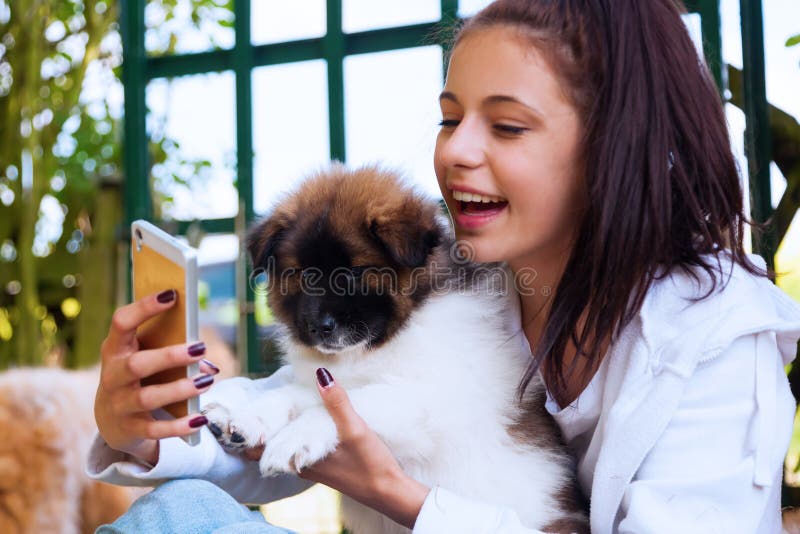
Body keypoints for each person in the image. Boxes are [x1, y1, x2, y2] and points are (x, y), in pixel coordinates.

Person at [88, 0, 800, 532]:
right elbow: (297, 407)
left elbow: (350, 426)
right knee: (177, 512)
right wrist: (142, 433)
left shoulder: (716, 338)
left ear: (614, 145)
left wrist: (403, 497)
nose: (457, 151)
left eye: (507, 125)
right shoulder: (464, 277)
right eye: (449, 116)